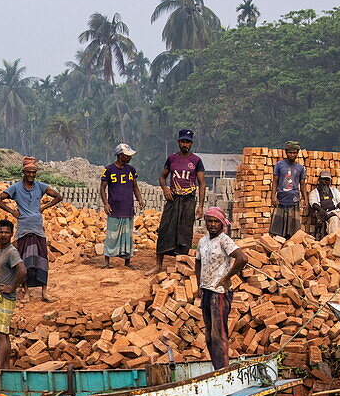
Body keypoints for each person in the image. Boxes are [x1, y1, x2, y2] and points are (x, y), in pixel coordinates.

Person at [0, 156, 64, 302]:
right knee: (24, 261)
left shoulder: (40, 186)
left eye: (33, 173)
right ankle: (27, 293)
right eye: (28, 172)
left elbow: (58, 196)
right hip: (23, 229)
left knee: (41, 260)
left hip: (37, 229)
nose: (31, 175)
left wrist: (43, 207)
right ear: (23, 172)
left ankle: (44, 293)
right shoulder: (16, 187)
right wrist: (12, 211)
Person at [195, 208, 248, 370]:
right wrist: (199, 285)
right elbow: (197, 262)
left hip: (219, 293)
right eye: (209, 221)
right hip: (206, 291)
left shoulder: (224, 240)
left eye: (216, 221)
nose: (212, 225)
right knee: (209, 337)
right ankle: (217, 368)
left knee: (218, 335)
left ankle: (223, 371)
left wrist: (226, 278)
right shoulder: (203, 241)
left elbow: (242, 258)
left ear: (222, 223)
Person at [155, 129, 205, 271]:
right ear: (178, 142)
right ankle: (158, 265)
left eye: (187, 142)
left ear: (191, 143)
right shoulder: (172, 159)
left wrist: (200, 206)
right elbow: (162, 177)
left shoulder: (196, 161)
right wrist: (165, 188)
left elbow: (202, 183)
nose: (185, 144)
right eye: (183, 141)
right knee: (165, 229)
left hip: (188, 201)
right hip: (173, 200)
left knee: (185, 232)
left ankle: (181, 266)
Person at [0, 219, 26, 368]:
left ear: (12, 234)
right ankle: (6, 367)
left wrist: (11, 287)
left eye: (7, 232)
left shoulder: (11, 252)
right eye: (1, 232)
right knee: (2, 334)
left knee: (1, 334)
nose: (3, 235)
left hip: (5, 297)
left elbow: (22, 271)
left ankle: (2, 368)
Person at [100, 143, 145, 268]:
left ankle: (127, 261)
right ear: (120, 156)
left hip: (127, 207)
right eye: (127, 155)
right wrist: (106, 204)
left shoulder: (131, 170)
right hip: (114, 207)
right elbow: (102, 188)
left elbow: (135, 186)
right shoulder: (109, 170)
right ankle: (107, 261)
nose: (130, 158)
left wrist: (140, 199)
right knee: (112, 235)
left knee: (127, 235)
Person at [269, 141, 307, 237]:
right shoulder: (279, 165)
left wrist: (305, 199)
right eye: (290, 152)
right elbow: (275, 182)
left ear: (297, 153)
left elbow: (302, 184)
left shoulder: (300, 168)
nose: (292, 155)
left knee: (293, 230)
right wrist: (273, 197)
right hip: (281, 199)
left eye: (294, 153)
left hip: (294, 199)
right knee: (277, 230)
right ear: (286, 153)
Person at [308, 170, 340, 237]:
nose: (325, 182)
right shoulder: (314, 192)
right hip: (326, 213)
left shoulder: (334, 190)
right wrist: (320, 210)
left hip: (336, 211)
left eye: (327, 180)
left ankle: (334, 215)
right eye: (323, 179)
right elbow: (313, 203)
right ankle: (335, 238)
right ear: (319, 180)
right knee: (334, 218)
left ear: (330, 182)